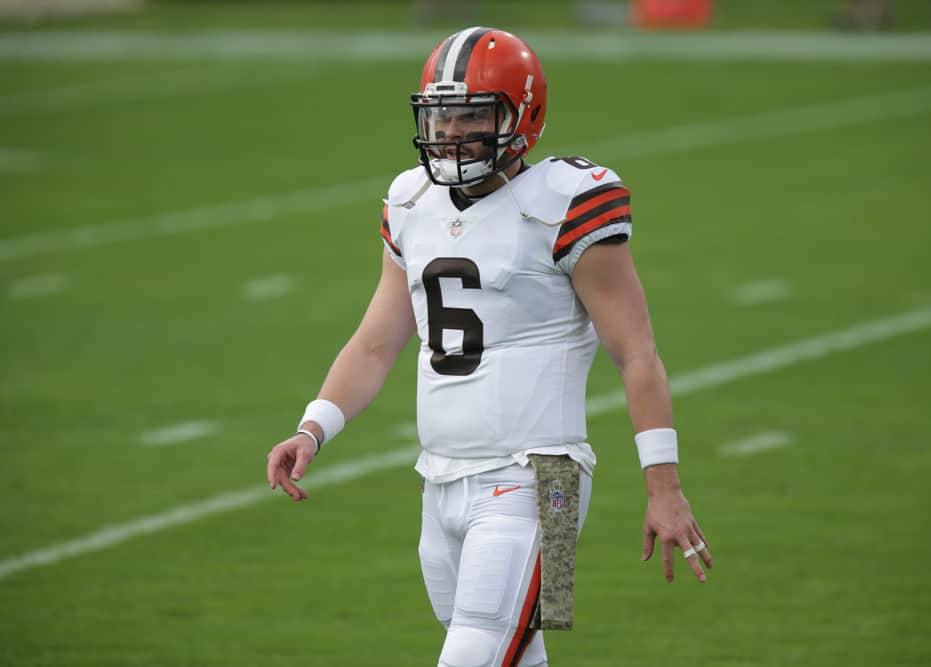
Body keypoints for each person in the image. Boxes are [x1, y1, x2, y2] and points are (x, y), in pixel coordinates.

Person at [266, 26, 712, 667]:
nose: (450, 131)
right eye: (441, 115)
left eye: (472, 114)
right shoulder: (411, 201)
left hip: (544, 483)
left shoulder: (566, 203)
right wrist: (312, 429)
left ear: (520, 115)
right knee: (515, 657)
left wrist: (664, 488)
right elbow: (374, 344)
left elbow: (636, 355)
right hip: (440, 482)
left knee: (475, 658)